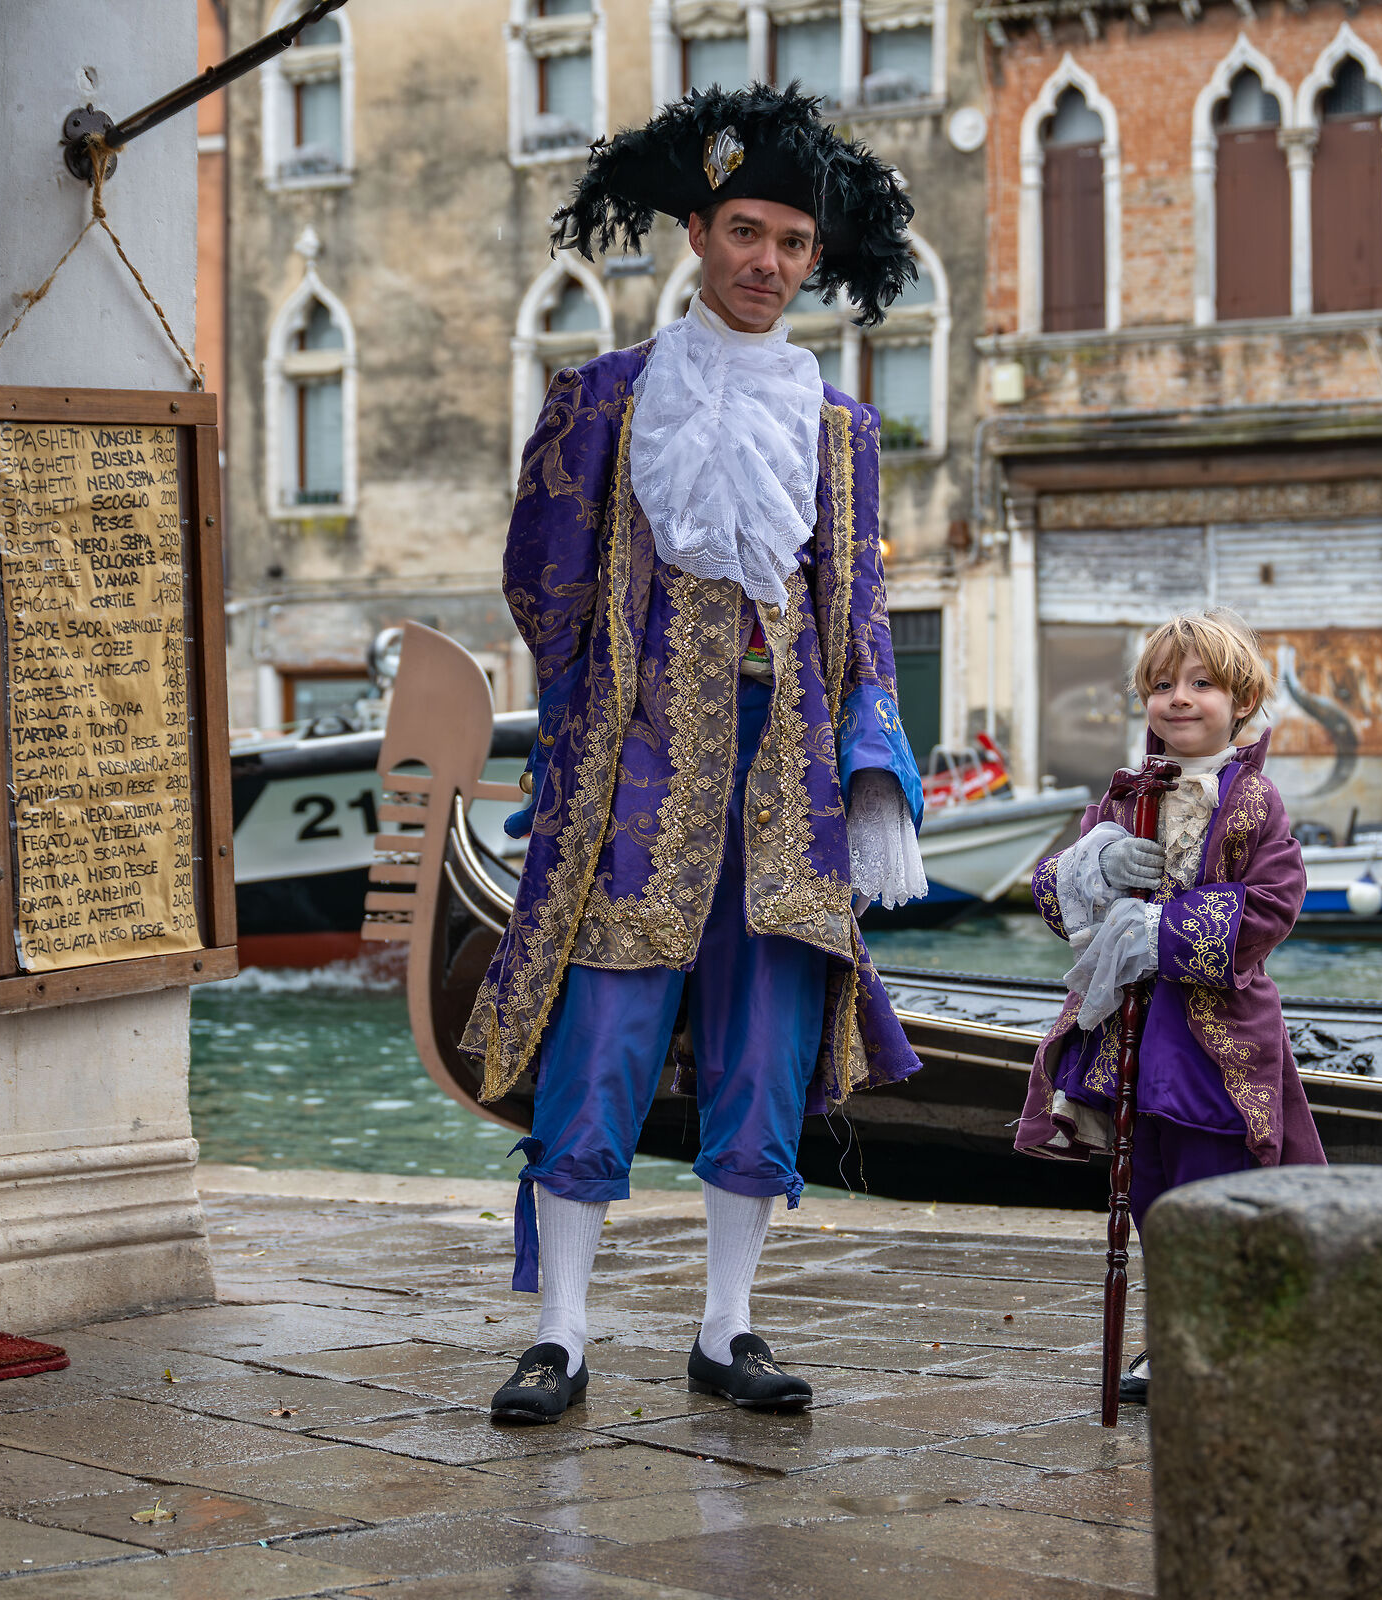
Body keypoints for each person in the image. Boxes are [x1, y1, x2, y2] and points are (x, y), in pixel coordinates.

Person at [464, 83, 929, 1424]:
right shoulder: (602, 398)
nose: (770, 263)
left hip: (785, 783)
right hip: (636, 773)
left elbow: (859, 609)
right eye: (746, 232)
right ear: (696, 231)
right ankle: (559, 1334)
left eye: (793, 241)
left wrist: (876, 770)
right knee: (599, 1041)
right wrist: (611, 695)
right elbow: (539, 574)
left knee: (767, 1048)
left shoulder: (842, 429)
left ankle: (727, 1330)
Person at [1013, 609, 1328, 1402]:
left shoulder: (1256, 801)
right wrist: (1095, 865)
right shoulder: (1124, 798)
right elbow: (1053, 899)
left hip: (1215, 1044)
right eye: (1161, 685)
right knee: (1150, 1193)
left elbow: (1270, 909)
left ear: (1242, 699)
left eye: (1201, 684)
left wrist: (1157, 930)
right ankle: (1174, 1340)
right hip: (1131, 1040)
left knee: (1212, 1191)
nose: (1178, 699)